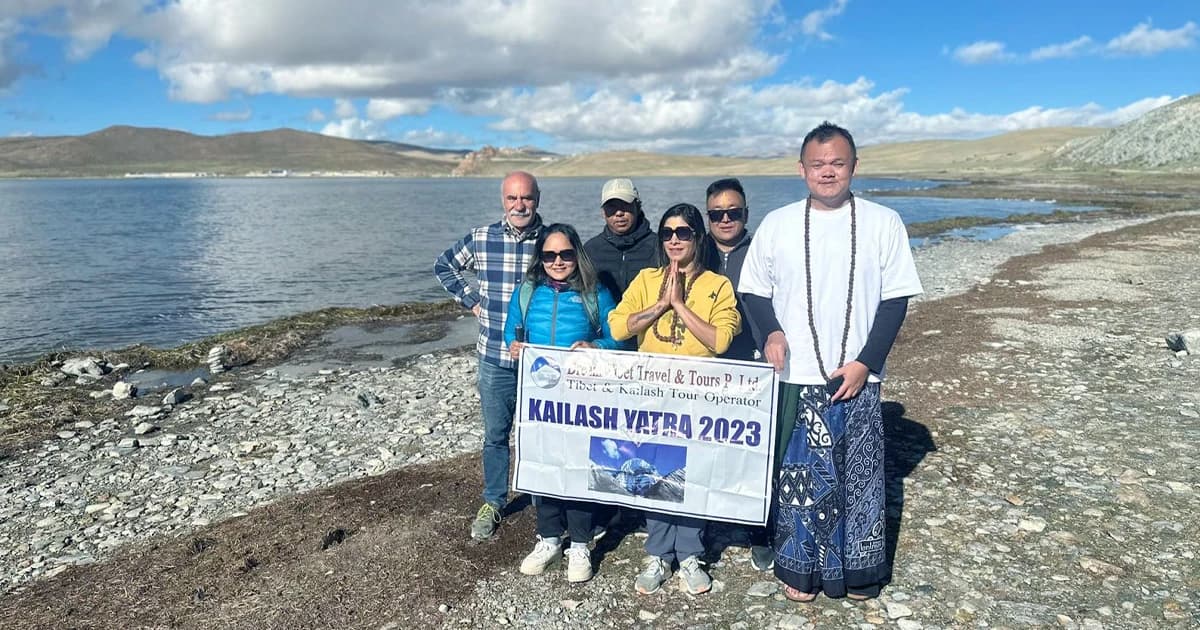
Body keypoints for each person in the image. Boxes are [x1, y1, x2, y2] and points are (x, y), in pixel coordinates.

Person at [739, 122, 923, 602]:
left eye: (837, 163)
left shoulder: (884, 222)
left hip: (858, 374)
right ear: (801, 169)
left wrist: (867, 361)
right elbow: (754, 290)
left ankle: (860, 573)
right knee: (798, 481)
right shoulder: (778, 223)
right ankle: (800, 570)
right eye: (817, 164)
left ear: (854, 167)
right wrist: (772, 331)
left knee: (859, 481)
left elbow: (895, 299)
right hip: (795, 375)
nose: (827, 172)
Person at [608, 203, 741, 596]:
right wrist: (660, 306)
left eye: (683, 232)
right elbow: (618, 328)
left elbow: (720, 340)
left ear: (697, 237)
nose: (674, 240)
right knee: (658, 470)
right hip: (653, 395)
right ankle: (658, 553)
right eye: (667, 233)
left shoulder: (717, 285)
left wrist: (680, 304)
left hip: (699, 398)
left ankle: (690, 554)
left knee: (693, 473)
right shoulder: (646, 280)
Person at [504, 223, 619, 583]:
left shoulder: (595, 292)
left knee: (578, 466)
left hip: (581, 397)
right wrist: (514, 346)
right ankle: (549, 538)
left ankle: (581, 544)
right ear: (540, 257)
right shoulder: (527, 291)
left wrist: (596, 346)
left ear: (576, 254)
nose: (557, 261)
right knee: (543, 465)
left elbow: (618, 337)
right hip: (539, 397)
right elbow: (510, 330)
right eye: (549, 255)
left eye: (565, 254)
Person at [433, 171, 544, 541]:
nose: (519, 205)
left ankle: (544, 497)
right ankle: (494, 500)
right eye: (512, 198)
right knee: (496, 435)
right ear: (503, 200)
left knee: (539, 432)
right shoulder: (482, 238)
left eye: (526, 198)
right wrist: (472, 301)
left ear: (537, 199)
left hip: (539, 361)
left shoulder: (551, 240)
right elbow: (444, 265)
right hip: (494, 356)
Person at [702, 177, 774, 572]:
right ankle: (702, 522)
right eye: (717, 214)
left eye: (734, 212)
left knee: (754, 450)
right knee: (706, 445)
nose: (726, 219)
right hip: (707, 366)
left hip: (755, 364)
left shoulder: (764, 249)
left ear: (746, 213)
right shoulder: (696, 251)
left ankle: (759, 530)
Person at [584, 178, 659, 303]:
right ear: (603, 212)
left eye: (625, 205)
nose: (619, 213)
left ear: (638, 207)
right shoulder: (590, 250)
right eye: (612, 207)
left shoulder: (659, 246)